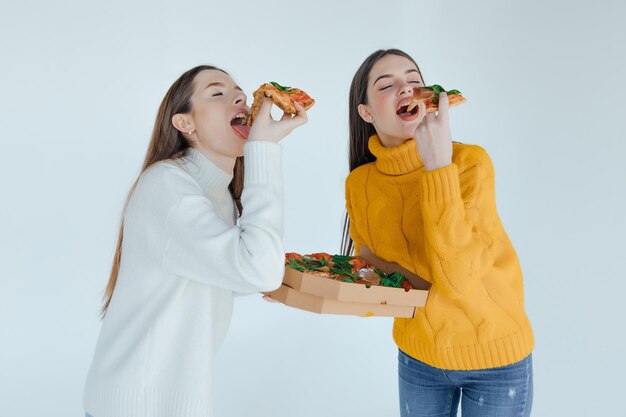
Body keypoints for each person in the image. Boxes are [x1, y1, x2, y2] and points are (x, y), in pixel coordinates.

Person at [83, 65, 308, 417]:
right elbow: (257, 270)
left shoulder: (216, 193)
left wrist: (275, 276)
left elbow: (224, 273)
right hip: (137, 405)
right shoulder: (167, 186)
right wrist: (262, 150)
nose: (240, 97)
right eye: (217, 93)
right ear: (185, 124)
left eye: (240, 93)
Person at [341, 49, 534, 417]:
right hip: (418, 360)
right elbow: (373, 271)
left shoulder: (469, 164)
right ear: (366, 112)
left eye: (414, 80)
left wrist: (438, 167)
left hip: (495, 357)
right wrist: (297, 286)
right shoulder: (360, 183)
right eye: (387, 85)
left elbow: (458, 277)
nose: (406, 88)